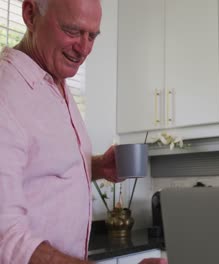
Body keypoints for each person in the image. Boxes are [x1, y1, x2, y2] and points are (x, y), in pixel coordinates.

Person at [0, 0, 120, 263]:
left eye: (92, 36)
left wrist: (98, 167)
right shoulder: (6, 94)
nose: (85, 48)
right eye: (73, 31)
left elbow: (39, 169)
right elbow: (6, 239)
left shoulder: (56, 84)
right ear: (30, 15)